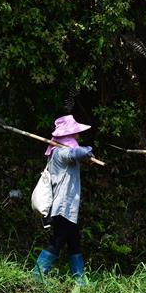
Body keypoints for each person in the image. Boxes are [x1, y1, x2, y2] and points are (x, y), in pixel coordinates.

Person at [33, 115, 96, 283]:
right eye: (75, 133)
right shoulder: (61, 152)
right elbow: (80, 152)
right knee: (57, 241)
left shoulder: (60, 151)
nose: (78, 136)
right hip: (62, 207)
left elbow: (78, 155)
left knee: (74, 241)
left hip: (68, 207)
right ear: (68, 135)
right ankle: (36, 276)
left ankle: (80, 282)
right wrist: (88, 151)